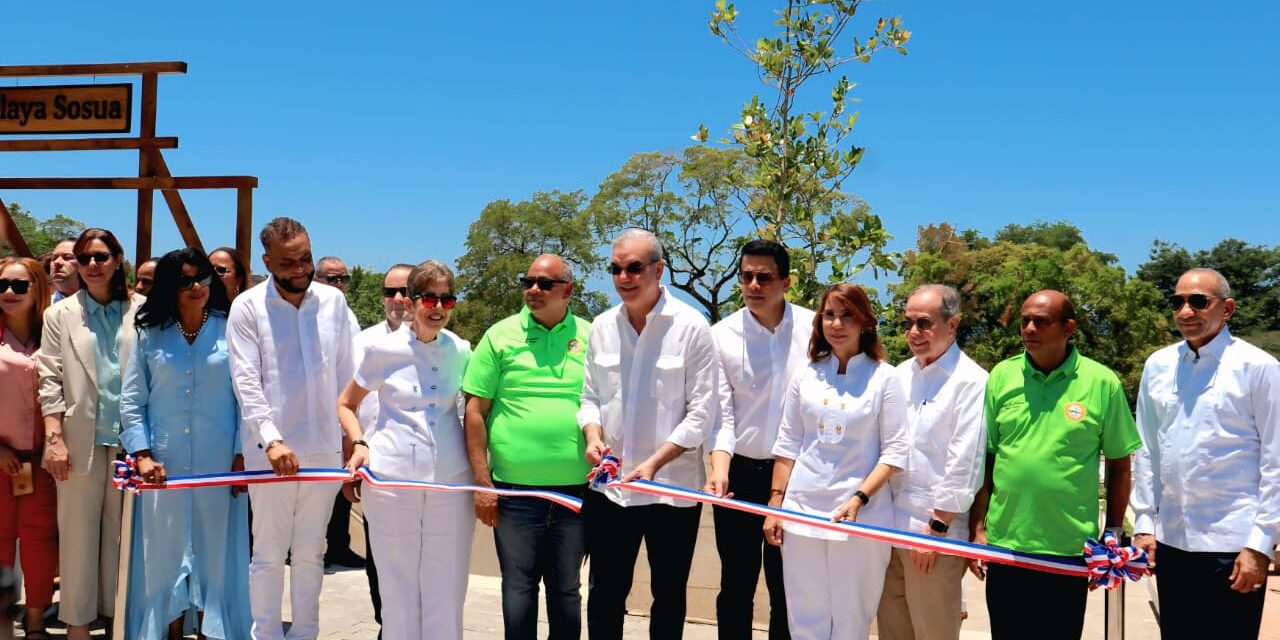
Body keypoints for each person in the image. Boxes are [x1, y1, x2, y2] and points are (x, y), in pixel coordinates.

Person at [969, 290, 1142, 640]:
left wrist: (1112, 532)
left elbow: (1120, 466)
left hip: (1068, 550)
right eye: (1024, 320)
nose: (1029, 329)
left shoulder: (1101, 382)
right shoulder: (1002, 376)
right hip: (1007, 545)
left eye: (1041, 321)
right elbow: (986, 459)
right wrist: (977, 528)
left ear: (1069, 328)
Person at [578, 229, 720, 640]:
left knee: (669, 594)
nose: (624, 277)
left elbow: (702, 413)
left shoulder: (693, 326)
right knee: (604, 593)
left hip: (672, 491)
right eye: (616, 268)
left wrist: (656, 462)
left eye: (634, 267)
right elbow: (589, 397)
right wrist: (592, 435)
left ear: (659, 270)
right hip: (612, 490)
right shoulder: (602, 326)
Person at [1131, 268, 1279, 639]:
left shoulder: (1259, 368)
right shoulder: (1158, 365)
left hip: (1232, 545)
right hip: (1172, 543)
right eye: (1178, 301)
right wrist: (1145, 524)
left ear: (1227, 308)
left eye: (1198, 301)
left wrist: (1261, 544)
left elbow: (1275, 460)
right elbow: (1147, 449)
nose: (1186, 311)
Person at [227, 217, 355, 640]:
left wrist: (352, 440)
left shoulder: (333, 303)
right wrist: (271, 439)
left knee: (311, 554)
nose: (300, 269)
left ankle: (305, 634)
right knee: (266, 554)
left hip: (323, 450)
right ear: (267, 261)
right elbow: (246, 382)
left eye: (305, 258)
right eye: (288, 263)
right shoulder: (247, 306)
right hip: (271, 453)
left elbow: (347, 375)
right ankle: (265, 634)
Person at [119, 247, 251, 640]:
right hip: (164, 464)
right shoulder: (150, 333)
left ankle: (217, 631)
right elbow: (131, 399)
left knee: (217, 554)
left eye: (203, 278)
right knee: (164, 554)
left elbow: (249, 397)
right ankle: (166, 630)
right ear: (168, 288)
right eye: (184, 281)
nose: (196, 287)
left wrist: (243, 454)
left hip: (221, 463)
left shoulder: (233, 329)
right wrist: (141, 455)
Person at [763, 283, 908, 640]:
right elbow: (788, 443)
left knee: (850, 620)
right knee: (804, 617)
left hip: (861, 519)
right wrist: (776, 504)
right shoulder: (806, 373)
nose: (837, 323)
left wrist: (859, 499)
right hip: (802, 512)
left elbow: (895, 452)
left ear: (865, 322)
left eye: (847, 315)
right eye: (829, 314)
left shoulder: (885, 378)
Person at [337, 260, 473, 640]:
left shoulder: (461, 350)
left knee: (447, 585)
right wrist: (358, 443)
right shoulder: (382, 349)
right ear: (412, 301)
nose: (438, 308)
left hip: (450, 482)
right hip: (392, 481)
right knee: (397, 588)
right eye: (429, 298)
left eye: (447, 299)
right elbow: (345, 404)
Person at [462, 254, 592, 640]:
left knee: (567, 589)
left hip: (577, 491)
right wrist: (484, 484)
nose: (533, 290)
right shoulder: (499, 336)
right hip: (515, 492)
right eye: (528, 281)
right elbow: (474, 412)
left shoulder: (593, 335)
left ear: (567, 290)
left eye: (544, 283)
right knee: (519, 587)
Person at [37, 228, 144, 639]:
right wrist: (54, 438)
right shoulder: (58, 315)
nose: (92, 266)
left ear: (118, 259)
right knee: (78, 536)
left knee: (123, 537)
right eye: (84, 258)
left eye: (101, 257)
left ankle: (119, 621)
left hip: (131, 442)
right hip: (78, 440)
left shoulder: (144, 310)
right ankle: (78, 626)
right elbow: (50, 378)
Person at [707, 239, 813, 640]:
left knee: (787, 587)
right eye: (746, 276)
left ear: (786, 281)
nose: (753, 285)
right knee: (736, 584)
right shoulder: (721, 336)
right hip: (738, 475)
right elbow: (720, 415)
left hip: (798, 477)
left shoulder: (815, 329)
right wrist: (719, 473)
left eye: (764, 277)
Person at [877, 285, 987, 640]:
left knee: (934, 633)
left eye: (924, 323)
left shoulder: (971, 381)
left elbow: (965, 460)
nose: (913, 332)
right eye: (908, 322)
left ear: (952, 324)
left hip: (933, 535)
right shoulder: (898, 375)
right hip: (887, 529)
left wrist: (936, 529)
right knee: (893, 632)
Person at [345, 262, 415, 637]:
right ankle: (387, 627)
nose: (399, 299)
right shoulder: (361, 343)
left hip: (426, 476)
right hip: (376, 471)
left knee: (421, 564)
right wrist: (349, 463)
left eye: (406, 291)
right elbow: (345, 405)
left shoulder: (446, 344)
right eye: (391, 292)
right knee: (381, 560)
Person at [0, 257, 56, 639]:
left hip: (43, 462)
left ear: (38, 289)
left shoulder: (53, 335)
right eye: (2, 284)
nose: (8, 292)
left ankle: (36, 615)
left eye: (20, 286)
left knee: (39, 542)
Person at [47, 238, 80, 304]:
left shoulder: (103, 305)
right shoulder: (39, 308)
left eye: (68, 257)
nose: (57, 262)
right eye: (54, 258)